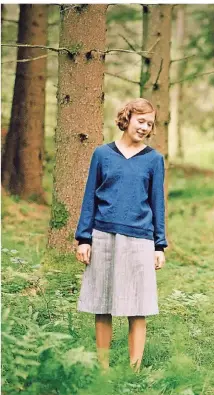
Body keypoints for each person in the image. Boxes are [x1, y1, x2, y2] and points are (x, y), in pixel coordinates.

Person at [75, 98, 167, 371]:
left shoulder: (153, 160)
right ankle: (103, 369)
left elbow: (157, 204)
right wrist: (84, 238)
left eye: (149, 124)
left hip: (140, 239)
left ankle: (133, 371)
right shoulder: (102, 155)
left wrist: (159, 245)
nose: (144, 128)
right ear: (127, 119)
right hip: (103, 235)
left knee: (138, 307)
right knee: (102, 305)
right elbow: (89, 196)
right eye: (141, 121)